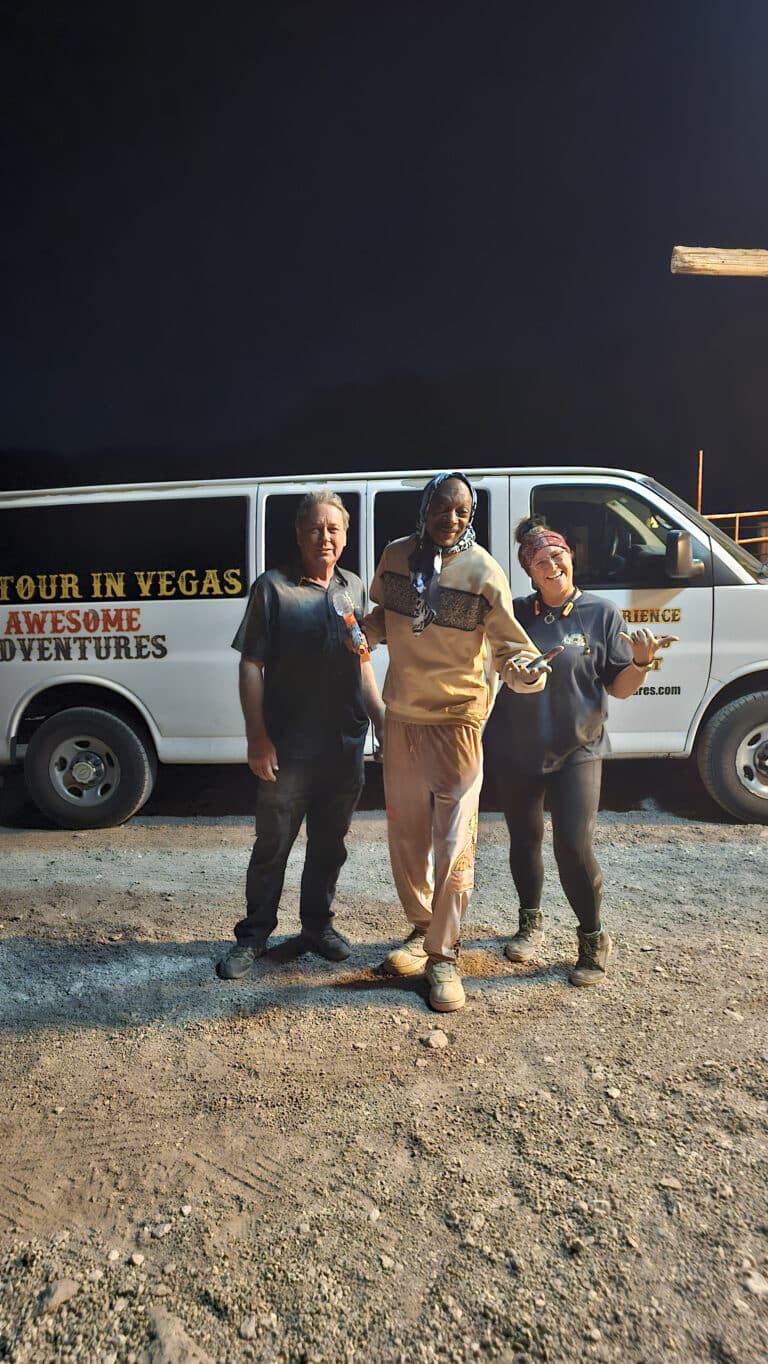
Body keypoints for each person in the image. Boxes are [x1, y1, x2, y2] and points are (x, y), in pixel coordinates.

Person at [361, 472, 548, 1014]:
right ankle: (422, 928)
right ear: (426, 508)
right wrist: (362, 632)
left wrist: (528, 672)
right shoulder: (395, 556)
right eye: (443, 508)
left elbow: (513, 649)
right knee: (406, 838)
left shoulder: (483, 570)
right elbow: (383, 615)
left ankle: (444, 956)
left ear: (471, 517)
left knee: (454, 844)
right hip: (402, 718)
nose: (452, 518)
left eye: (463, 511)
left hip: (458, 722)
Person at [483, 515, 678, 986]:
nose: (551, 566)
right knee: (524, 841)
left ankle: (593, 937)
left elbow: (621, 688)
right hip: (517, 751)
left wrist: (641, 663)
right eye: (538, 561)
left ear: (571, 558)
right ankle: (530, 923)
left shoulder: (601, 613)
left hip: (578, 749)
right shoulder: (516, 613)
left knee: (572, 846)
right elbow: (492, 670)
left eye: (557, 556)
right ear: (528, 572)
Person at [216, 491, 384, 979]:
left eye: (334, 528)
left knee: (331, 843)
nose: (325, 537)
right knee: (273, 845)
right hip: (288, 748)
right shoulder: (273, 588)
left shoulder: (353, 587)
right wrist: (257, 739)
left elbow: (362, 658)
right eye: (315, 528)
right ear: (298, 534)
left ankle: (317, 926)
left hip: (344, 746)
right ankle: (253, 936)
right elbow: (251, 665)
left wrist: (378, 714)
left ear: (346, 536)